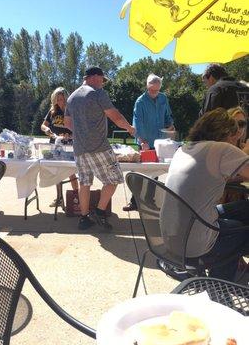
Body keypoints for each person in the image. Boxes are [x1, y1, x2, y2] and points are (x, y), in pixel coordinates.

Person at [164, 108, 249, 281]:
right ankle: (219, 290)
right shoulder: (221, 148)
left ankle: (224, 273)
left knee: (245, 209)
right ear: (225, 133)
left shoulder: (184, 149)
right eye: (233, 136)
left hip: (171, 239)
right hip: (195, 244)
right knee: (242, 233)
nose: (235, 141)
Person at [64, 66, 135, 231]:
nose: (103, 84)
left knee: (85, 183)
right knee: (115, 178)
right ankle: (99, 211)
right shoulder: (97, 93)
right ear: (95, 77)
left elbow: (67, 123)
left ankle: (84, 218)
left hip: (79, 148)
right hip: (99, 147)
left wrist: (82, 133)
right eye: (102, 80)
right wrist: (130, 128)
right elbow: (115, 116)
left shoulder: (71, 98)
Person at [123, 73, 175, 211]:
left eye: (157, 90)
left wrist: (170, 125)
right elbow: (137, 123)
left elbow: (168, 115)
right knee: (139, 172)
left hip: (159, 141)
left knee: (155, 173)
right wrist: (142, 141)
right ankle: (134, 201)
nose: (154, 93)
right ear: (147, 87)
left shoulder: (163, 98)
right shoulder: (140, 102)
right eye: (152, 90)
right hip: (144, 141)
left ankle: (149, 200)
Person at [41, 87, 78, 207]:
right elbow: (43, 125)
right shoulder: (52, 111)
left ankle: (76, 196)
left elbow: (78, 128)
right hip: (55, 143)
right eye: (57, 99)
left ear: (66, 99)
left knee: (71, 172)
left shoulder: (71, 111)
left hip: (69, 145)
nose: (60, 102)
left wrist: (70, 134)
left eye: (62, 99)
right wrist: (47, 130)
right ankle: (59, 198)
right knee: (57, 172)